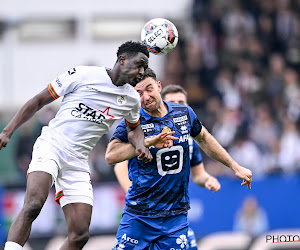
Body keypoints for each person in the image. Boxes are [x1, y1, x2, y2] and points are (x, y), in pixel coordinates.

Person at [0, 41, 155, 250]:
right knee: (34, 203)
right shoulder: (83, 75)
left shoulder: (130, 99)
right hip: (52, 145)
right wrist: (8, 131)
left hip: (78, 161)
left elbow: (134, 128)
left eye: (145, 67)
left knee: (80, 234)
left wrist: (139, 146)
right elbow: (38, 100)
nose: (142, 71)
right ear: (122, 60)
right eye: (139, 64)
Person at [105, 68, 252, 250]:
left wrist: (235, 166)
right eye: (139, 93)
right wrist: (148, 142)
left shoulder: (184, 114)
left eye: (149, 89)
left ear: (159, 86)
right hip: (139, 217)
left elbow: (204, 138)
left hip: (174, 218)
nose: (146, 97)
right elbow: (111, 156)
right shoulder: (132, 121)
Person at [113, 84, 221, 250]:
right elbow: (120, 163)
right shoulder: (145, 132)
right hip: (144, 215)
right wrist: (133, 192)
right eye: (173, 102)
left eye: (181, 102)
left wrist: (207, 179)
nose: (178, 105)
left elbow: (198, 174)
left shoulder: (189, 142)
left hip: (173, 216)